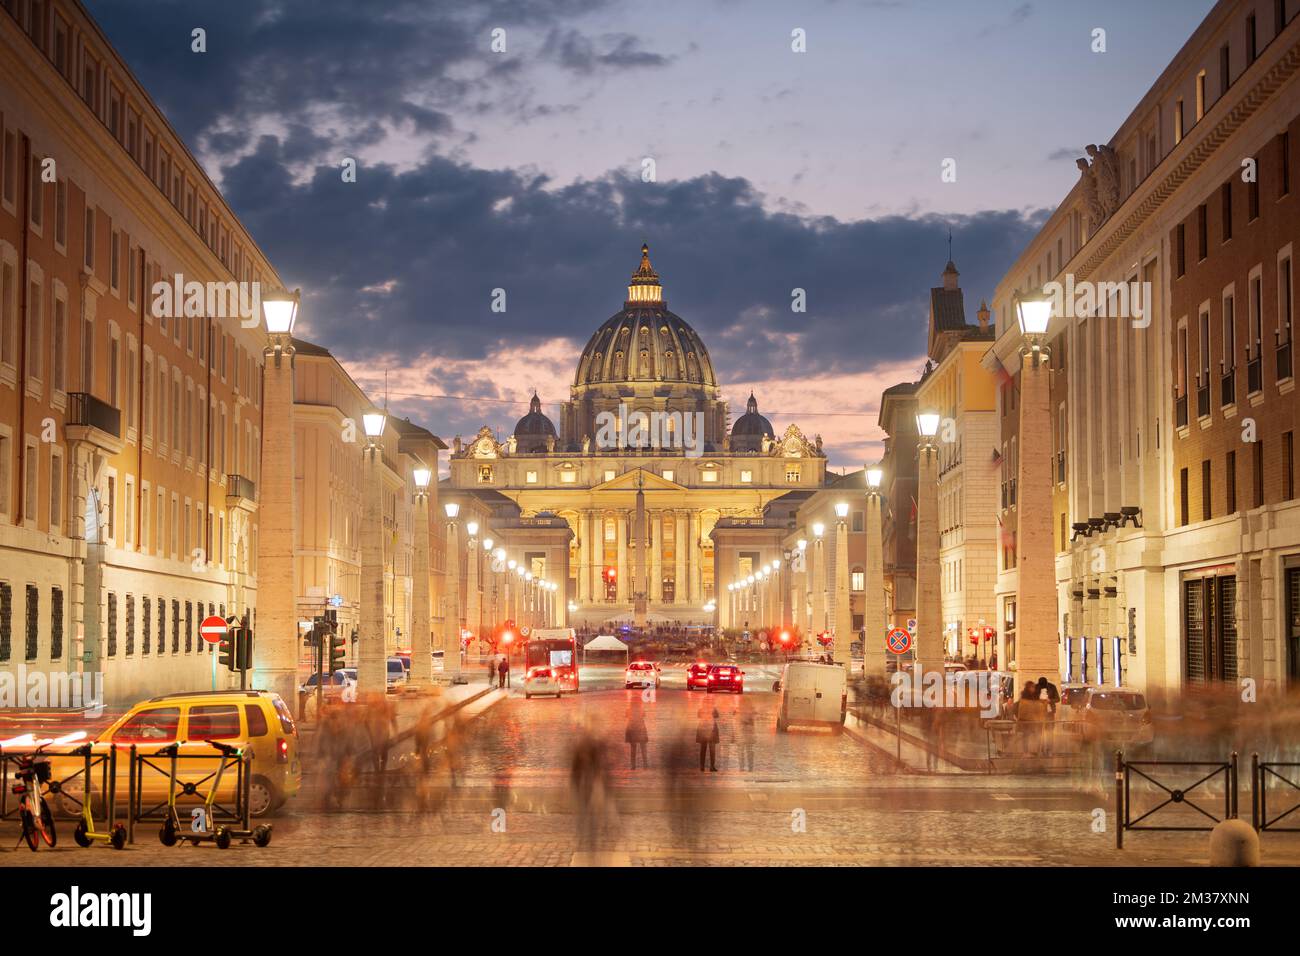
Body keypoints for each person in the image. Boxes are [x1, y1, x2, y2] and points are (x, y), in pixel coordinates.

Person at [625, 700, 649, 769]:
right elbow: (644, 715)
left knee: (633, 748)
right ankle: (645, 765)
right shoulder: (641, 710)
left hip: (632, 729)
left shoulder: (628, 710)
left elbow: (626, 716)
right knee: (643, 748)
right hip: (641, 729)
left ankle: (633, 766)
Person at [696, 706, 720, 771]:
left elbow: (698, 715)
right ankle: (711, 767)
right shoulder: (712, 707)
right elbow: (717, 715)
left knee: (703, 749)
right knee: (711, 749)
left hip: (704, 728)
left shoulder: (702, 707)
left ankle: (702, 767)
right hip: (710, 729)